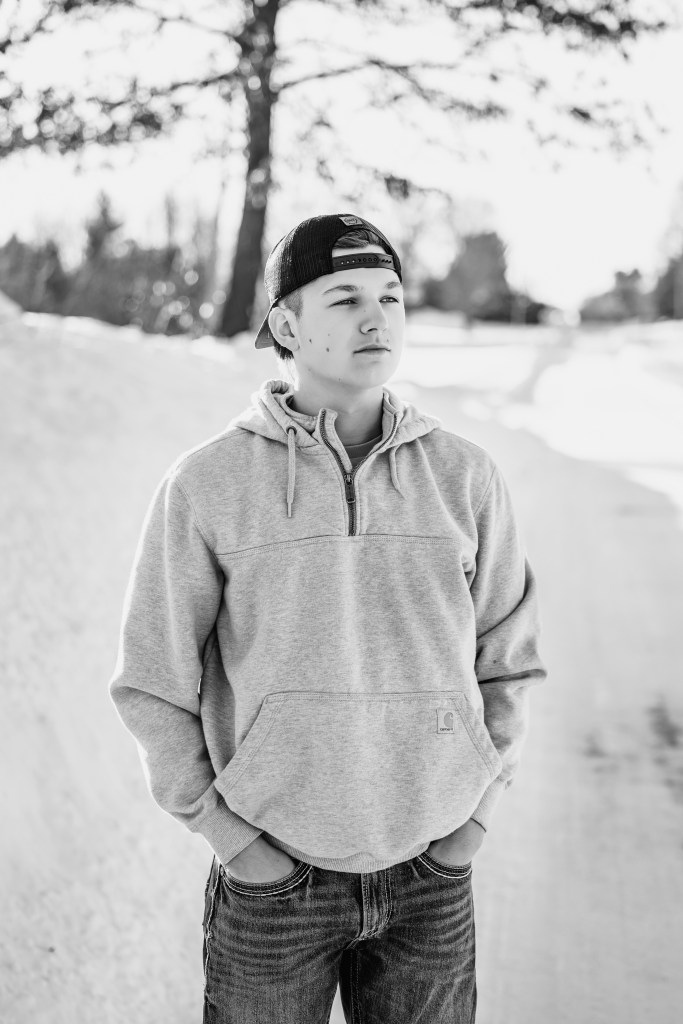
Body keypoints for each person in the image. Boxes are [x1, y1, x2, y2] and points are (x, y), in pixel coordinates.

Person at [109, 213, 547, 1023]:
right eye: (343, 298)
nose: (376, 318)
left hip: (431, 878)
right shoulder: (209, 484)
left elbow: (508, 660)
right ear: (285, 324)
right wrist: (235, 842)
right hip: (276, 885)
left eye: (389, 296)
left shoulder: (464, 477)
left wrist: (472, 822)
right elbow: (153, 683)